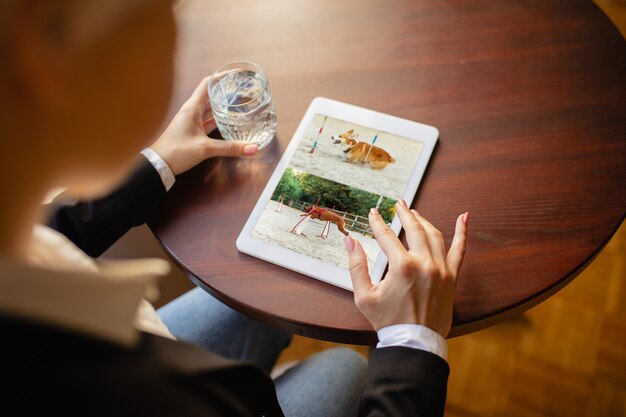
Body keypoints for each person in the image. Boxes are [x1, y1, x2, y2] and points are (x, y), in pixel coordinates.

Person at [0, 1, 468, 416]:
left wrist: (160, 161)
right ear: (47, 59)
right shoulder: (147, 397)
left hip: (127, 335)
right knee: (345, 366)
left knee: (267, 293)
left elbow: (55, 229)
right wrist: (414, 343)